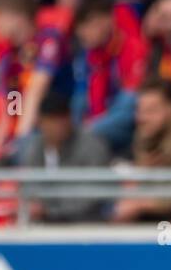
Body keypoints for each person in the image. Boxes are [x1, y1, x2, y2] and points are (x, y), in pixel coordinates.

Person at [0, 0, 72, 166]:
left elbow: (35, 92)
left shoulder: (49, 41)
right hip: (23, 131)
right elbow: (13, 106)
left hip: (50, 128)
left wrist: (20, 140)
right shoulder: (10, 59)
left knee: (20, 156)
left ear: (18, 18)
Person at [110, 76, 171, 222]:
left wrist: (144, 204)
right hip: (156, 210)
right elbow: (142, 180)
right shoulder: (144, 132)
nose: (142, 118)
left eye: (151, 110)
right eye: (140, 111)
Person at [20, 90, 110, 222]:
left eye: (62, 118)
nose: (58, 126)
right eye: (52, 120)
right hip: (45, 225)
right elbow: (29, 187)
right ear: (41, 122)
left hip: (86, 225)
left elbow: (92, 195)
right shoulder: (34, 148)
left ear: (69, 118)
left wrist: (49, 210)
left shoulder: (92, 146)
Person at [71, 0, 145, 153]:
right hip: (105, 118)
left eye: (87, 29)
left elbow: (132, 97)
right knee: (78, 101)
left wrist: (90, 128)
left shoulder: (131, 45)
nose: (84, 37)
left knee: (129, 100)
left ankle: (80, 137)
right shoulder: (93, 54)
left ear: (105, 21)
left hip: (131, 118)